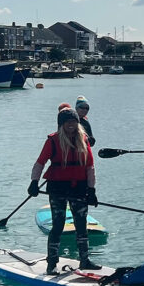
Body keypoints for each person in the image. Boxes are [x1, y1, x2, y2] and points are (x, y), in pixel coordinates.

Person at [28, 107, 100, 274]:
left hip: (79, 188)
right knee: (58, 224)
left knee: (81, 224)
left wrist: (92, 190)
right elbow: (40, 162)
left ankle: (85, 260)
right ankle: (52, 263)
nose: (71, 124)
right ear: (61, 124)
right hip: (58, 188)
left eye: (73, 121)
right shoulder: (53, 141)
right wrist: (34, 182)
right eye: (67, 122)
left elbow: (90, 167)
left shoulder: (84, 140)